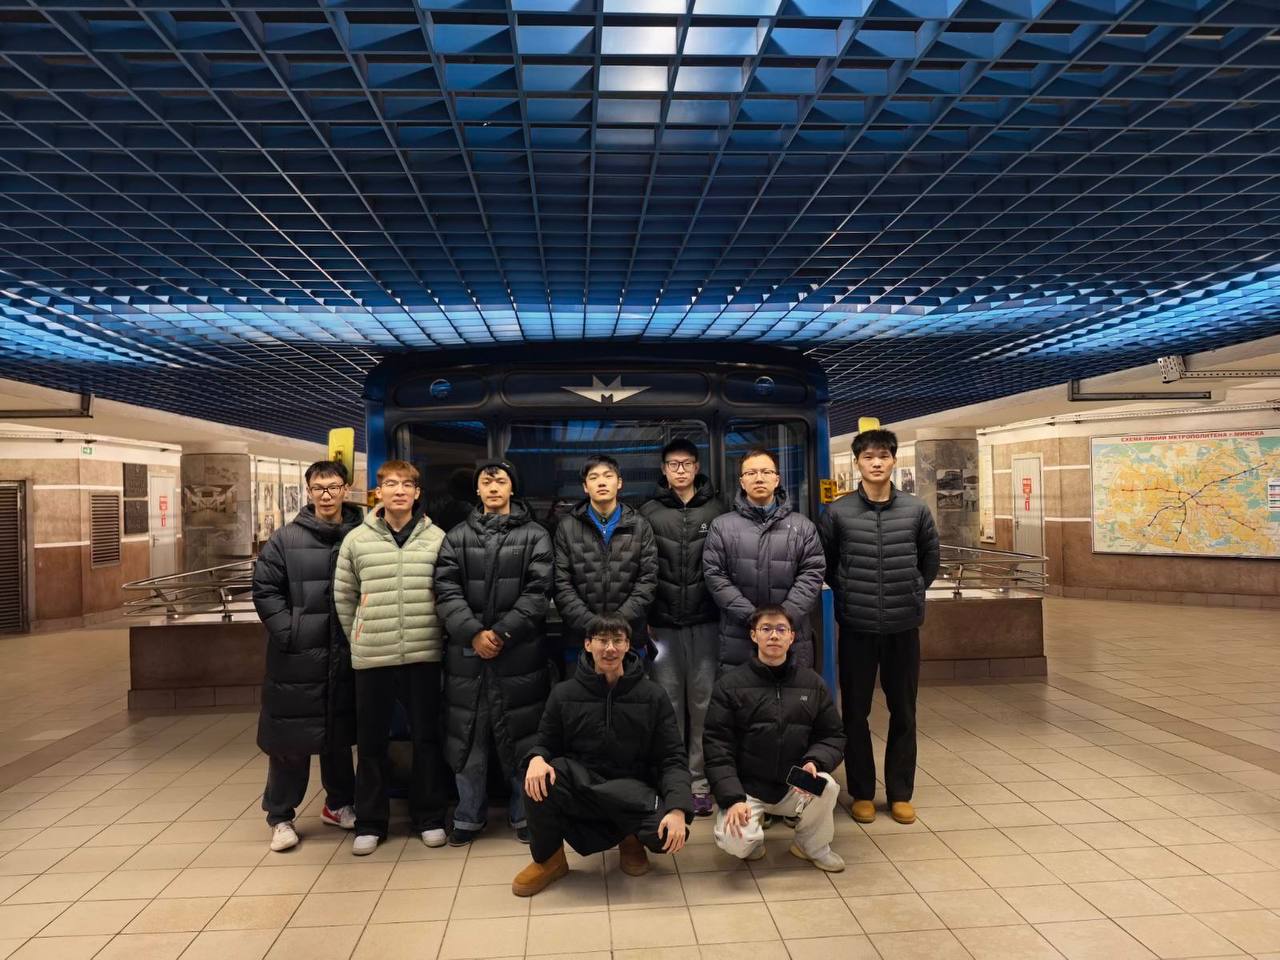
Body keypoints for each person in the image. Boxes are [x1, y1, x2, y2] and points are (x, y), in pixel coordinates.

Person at [511, 614, 692, 897]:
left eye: (617, 640)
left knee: (667, 834)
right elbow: (545, 742)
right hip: (584, 786)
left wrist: (678, 809)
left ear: (628, 645)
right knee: (538, 778)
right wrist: (536, 758)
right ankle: (550, 859)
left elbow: (673, 758)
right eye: (602, 640)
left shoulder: (653, 695)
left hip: (633, 791)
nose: (610, 648)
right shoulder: (563, 693)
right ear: (587, 644)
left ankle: (630, 839)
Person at [818, 428, 940, 826]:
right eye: (868, 456)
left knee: (904, 711)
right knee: (855, 713)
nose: (876, 462)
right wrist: (850, 593)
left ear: (893, 461)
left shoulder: (916, 510)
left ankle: (901, 793)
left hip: (903, 627)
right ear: (857, 463)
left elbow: (930, 561)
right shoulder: (838, 513)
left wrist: (912, 589)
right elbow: (827, 563)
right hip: (857, 627)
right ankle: (863, 793)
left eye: (883, 456)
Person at [435, 459, 554, 847]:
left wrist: (502, 632)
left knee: (522, 738)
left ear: (511, 488)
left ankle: (525, 813)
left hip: (519, 654)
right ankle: (468, 816)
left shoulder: (535, 535)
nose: (493, 487)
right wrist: (472, 633)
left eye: (500, 481)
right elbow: (445, 589)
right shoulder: (456, 537)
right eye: (486, 482)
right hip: (467, 658)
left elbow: (538, 592)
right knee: (469, 740)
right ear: (477, 490)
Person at [334, 459, 449, 854]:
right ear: (378, 493)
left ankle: (430, 818)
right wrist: (359, 637)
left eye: (407, 485)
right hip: (373, 656)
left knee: (427, 738)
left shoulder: (437, 538)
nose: (399, 491)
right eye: (391, 484)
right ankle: (370, 822)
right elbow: (344, 596)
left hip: (424, 652)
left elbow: (447, 592)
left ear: (417, 493)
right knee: (371, 743)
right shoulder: (357, 540)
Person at [252, 461, 362, 853]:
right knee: (290, 741)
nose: (326, 495)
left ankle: (338, 803)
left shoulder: (361, 534)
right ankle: (280, 816)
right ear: (309, 492)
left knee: (338, 736)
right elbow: (265, 589)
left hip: (345, 651)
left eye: (333, 487)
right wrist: (290, 632)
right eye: (319, 488)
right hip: (296, 657)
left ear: (345, 489)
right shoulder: (285, 539)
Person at [704, 605, 846, 871]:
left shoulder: (812, 683)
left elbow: (833, 735)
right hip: (747, 786)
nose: (774, 635)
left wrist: (814, 761)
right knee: (736, 842)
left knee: (826, 786)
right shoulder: (730, 685)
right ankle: (753, 841)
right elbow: (717, 747)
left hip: (794, 781)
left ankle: (811, 846)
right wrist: (732, 798)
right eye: (766, 629)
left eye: (781, 629)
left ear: (792, 637)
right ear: (753, 635)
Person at [639, 438, 724, 818]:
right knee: (668, 704)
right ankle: (673, 781)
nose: (680, 470)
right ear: (663, 469)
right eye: (673, 464)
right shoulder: (649, 513)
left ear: (697, 466)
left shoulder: (718, 509)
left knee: (704, 704)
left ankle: (699, 782)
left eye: (687, 463)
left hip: (707, 623)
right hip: (662, 627)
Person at [702, 447, 826, 669]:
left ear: (777, 479)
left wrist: (782, 619)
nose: (759, 478)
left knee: (793, 690)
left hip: (791, 635)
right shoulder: (721, 526)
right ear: (742, 482)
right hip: (738, 636)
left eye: (766, 472)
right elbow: (715, 576)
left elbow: (812, 573)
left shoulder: (803, 527)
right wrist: (753, 618)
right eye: (751, 473)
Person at [553, 454, 658, 652]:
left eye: (608, 476)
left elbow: (648, 581)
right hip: (581, 637)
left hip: (629, 636)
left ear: (619, 483)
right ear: (585, 487)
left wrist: (617, 624)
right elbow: (561, 585)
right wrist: (593, 627)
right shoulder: (567, 527)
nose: (601, 482)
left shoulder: (640, 525)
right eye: (593, 477)